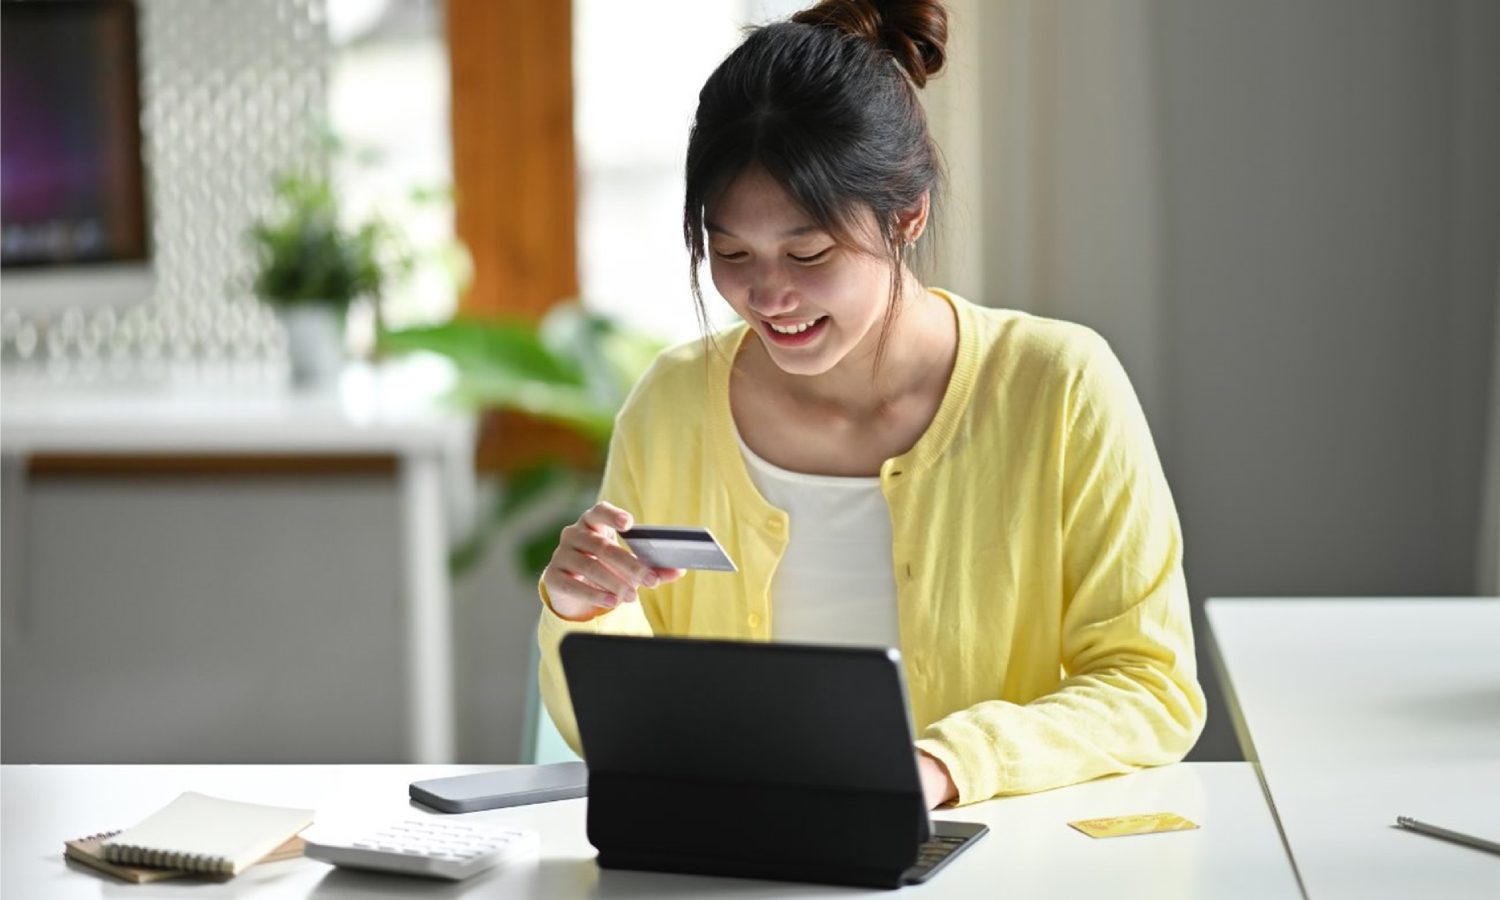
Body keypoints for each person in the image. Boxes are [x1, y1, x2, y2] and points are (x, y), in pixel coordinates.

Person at [537, 0, 1206, 808]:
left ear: (906, 216)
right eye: (732, 252)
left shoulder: (1059, 386)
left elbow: (1149, 685)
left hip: (995, 865)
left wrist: (941, 767)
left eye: (808, 252)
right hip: (736, 864)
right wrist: (583, 610)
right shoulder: (674, 403)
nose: (767, 293)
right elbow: (610, 729)